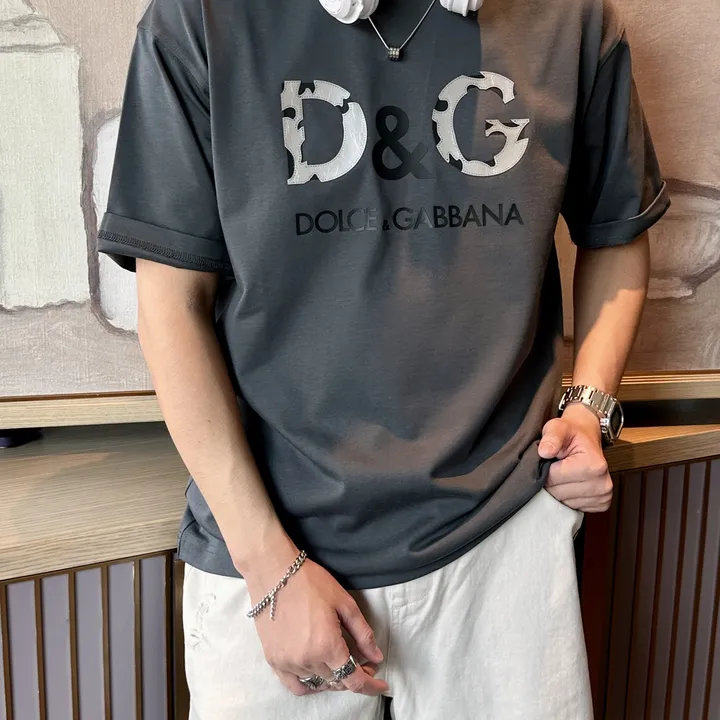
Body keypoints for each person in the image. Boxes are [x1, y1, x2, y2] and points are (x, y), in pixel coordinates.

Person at [98, 0, 669, 717]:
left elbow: (616, 230)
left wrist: (588, 409)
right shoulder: (199, 18)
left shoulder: (572, 16)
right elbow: (170, 306)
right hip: (272, 549)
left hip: (504, 537)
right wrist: (268, 566)